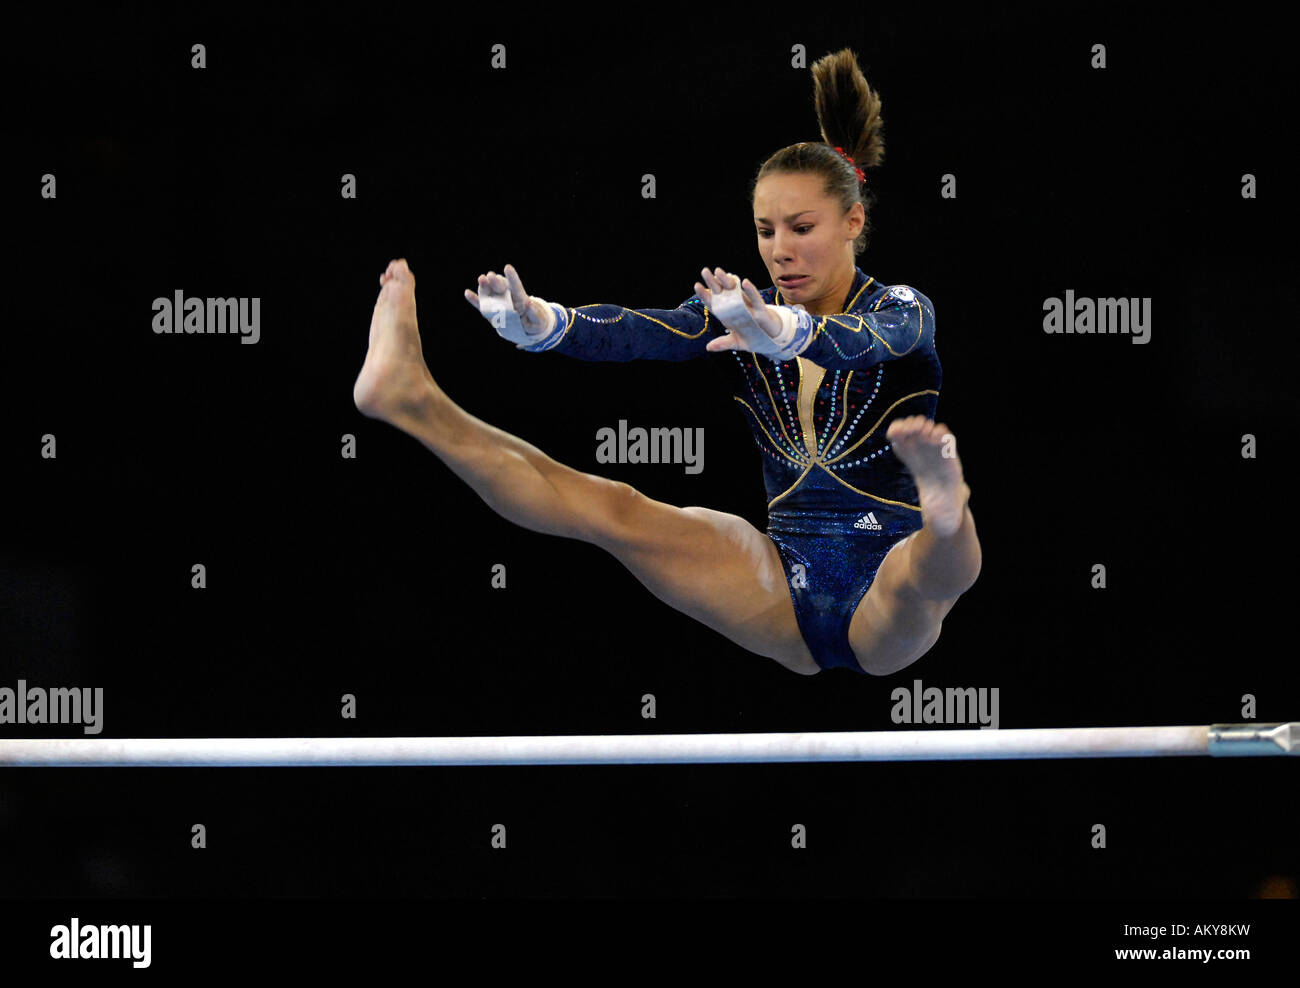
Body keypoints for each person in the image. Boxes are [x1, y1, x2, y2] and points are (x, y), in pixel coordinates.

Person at [353, 48, 980, 676]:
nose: (780, 251)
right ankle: (412, 400)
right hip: (778, 584)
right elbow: (635, 332)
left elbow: (867, 340)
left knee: (919, 577)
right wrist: (542, 323)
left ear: (853, 221)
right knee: (613, 509)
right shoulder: (740, 312)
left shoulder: (902, 309)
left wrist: (783, 330)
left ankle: (947, 508)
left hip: (887, 568)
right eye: (765, 231)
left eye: (801, 227)